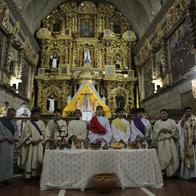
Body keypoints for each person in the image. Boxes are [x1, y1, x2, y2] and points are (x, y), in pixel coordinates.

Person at [20, 107, 45, 180]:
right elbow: (26, 133)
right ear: (32, 114)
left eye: (38, 114)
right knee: (30, 158)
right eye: (35, 114)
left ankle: (37, 175)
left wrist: (39, 140)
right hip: (31, 144)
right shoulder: (28, 123)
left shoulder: (42, 123)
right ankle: (28, 175)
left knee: (38, 158)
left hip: (39, 143)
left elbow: (43, 132)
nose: (36, 115)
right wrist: (31, 140)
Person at [153, 109, 179, 177]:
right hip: (161, 142)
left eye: (164, 113)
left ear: (167, 114)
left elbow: (176, 131)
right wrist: (160, 130)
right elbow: (155, 131)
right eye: (162, 113)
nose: (163, 115)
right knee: (162, 157)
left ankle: (172, 173)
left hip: (170, 141)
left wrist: (169, 130)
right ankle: (165, 172)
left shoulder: (172, 121)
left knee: (173, 156)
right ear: (160, 115)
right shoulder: (157, 122)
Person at [0, 108, 19, 184]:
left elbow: (16, 131)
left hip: (11, 144)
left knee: (9, 161)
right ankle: (1, 179)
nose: (13, 116)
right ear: (7, 113)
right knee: (2, 161)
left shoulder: (13, 122)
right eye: (11, 115)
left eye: (14, 115)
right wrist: (6, 138)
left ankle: (7, 178)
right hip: (3, 144)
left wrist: (14, 139)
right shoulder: (1, 121)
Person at [177, 107, 196, 179]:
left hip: (194, 142)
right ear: (184, 112)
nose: (189, 113)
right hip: (186, 143)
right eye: (187, 112)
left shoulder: (195, 119)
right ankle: (188, 175)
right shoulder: (182, 120)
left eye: (190, 111)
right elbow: (179, 129)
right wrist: (182, 121)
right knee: (187, 156)